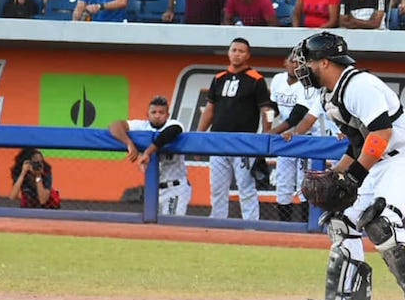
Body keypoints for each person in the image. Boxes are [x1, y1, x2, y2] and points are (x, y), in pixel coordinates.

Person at [293, 31, 405, 300]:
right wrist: (337, 172)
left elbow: (381, 134)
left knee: (381, 223)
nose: (302, 67)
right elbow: (358, 144)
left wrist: (354, 177)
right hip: (377, 160)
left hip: (404, 158)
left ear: (324, 62)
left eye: (307, 61)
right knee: (341, 221)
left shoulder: (359, 85)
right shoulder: (328, 95)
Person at [196, 37, 274, 221]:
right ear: (228, 52)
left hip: (244, 142)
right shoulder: (219, 78)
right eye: (234, 50)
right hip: (218, 141)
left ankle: (251, 225)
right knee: (217, 187)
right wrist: (199, 137)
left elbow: (267, 109)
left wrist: (266, 133)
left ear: (248, 55)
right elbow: (209, 110)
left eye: (241, 51)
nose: (237, 54)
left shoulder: (256, 79)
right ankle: (217, 222)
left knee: (246, 187)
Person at [266, 51, 327, 222]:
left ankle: (304, 226)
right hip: (285, 137)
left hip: (305, 137)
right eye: (292, 61)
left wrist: (273, 132)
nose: (294, 65)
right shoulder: (278, 79)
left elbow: (297, 115)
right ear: (284, 62)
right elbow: (273, 106)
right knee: (283, 183)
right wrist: (267, 118)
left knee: (304, 184)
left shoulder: (308, 84)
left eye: (299, 63)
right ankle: (283, 225)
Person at [109, 95, 190, 217]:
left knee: (171, 225)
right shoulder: (141, 126)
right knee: (153, 225)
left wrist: (147, 152)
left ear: (167, 115)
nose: (157, 115)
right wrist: (129, 143)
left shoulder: (173, 124)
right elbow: (114, 125)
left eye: (161, 112)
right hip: (153, 189)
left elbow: (172, 131)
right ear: (147, 114)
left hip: (175, 187)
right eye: (154, 112)